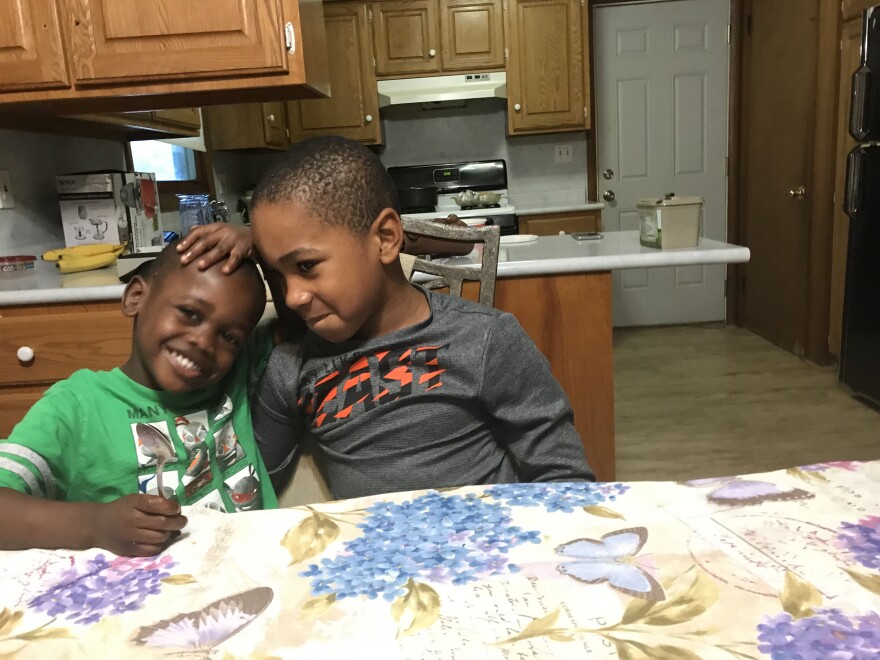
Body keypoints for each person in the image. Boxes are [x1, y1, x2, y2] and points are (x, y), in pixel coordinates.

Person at [241, 135, 594, 500]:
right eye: (278, 275)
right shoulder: (290, 369)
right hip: (370, 554)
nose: (292, 296)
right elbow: (250, 493)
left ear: (386, 238)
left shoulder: (486, 339)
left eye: (306, 266)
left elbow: (565, 482)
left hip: (486, 548)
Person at [0, 243, 276, 556]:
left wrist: (252, 239)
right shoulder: (78, 405)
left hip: (253, 568)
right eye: (189, 313)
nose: (204, 342)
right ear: (136, 297)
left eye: (229, 337)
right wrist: (96, 525)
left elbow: (300, 307)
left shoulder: (233, 373)